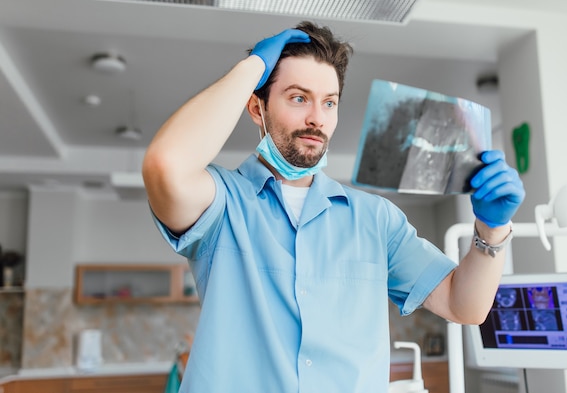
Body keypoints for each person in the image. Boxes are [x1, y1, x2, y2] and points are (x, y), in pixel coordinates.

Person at [142, 21, 525, 393]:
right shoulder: (221, 204)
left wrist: (491, 228)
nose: (316, 118)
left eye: (329, 103)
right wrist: (253, 67)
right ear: (257, 109)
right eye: (298, 98)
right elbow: (165, 167)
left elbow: (466, 307)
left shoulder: (375, 219)